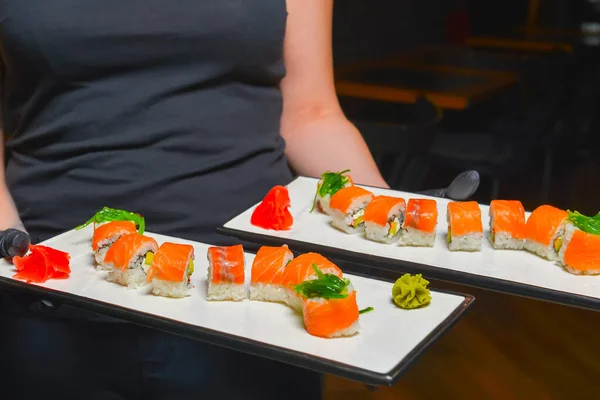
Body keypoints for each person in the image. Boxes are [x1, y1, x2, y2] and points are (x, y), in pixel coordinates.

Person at [0, 1, 388, 399]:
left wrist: (397, 219)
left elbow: (311, 113)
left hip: (253, 303)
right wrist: (6, 238)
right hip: (45, 291)